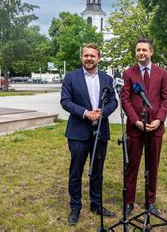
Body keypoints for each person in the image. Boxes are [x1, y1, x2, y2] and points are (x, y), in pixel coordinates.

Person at [60, 44, 118, 225]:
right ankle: (75, 207)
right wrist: (86, 112)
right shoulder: (71, 78)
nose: (89, 58)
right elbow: (65, 101)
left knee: (97, 171)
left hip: (100, 132)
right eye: (86, 55)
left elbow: (114, 101)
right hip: (78, 132)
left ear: (99, 58)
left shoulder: (107, 78)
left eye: (93, 56)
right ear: (81, 58)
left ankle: (96, 204)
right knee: (76, 172)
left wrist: (102, 112)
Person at [121, 38, 167, 216]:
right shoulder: (128, 73)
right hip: (135, 127)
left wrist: (159, 120)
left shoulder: (162, 73)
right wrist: (136, 121)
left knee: (152, 165)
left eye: (144, 50)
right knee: (132, 164)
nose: (141, 53)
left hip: (155, 127)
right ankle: (129, 202)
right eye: (138, 50)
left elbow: (166, 99)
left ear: (151, 52)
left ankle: (150, 201)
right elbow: (125, 99)